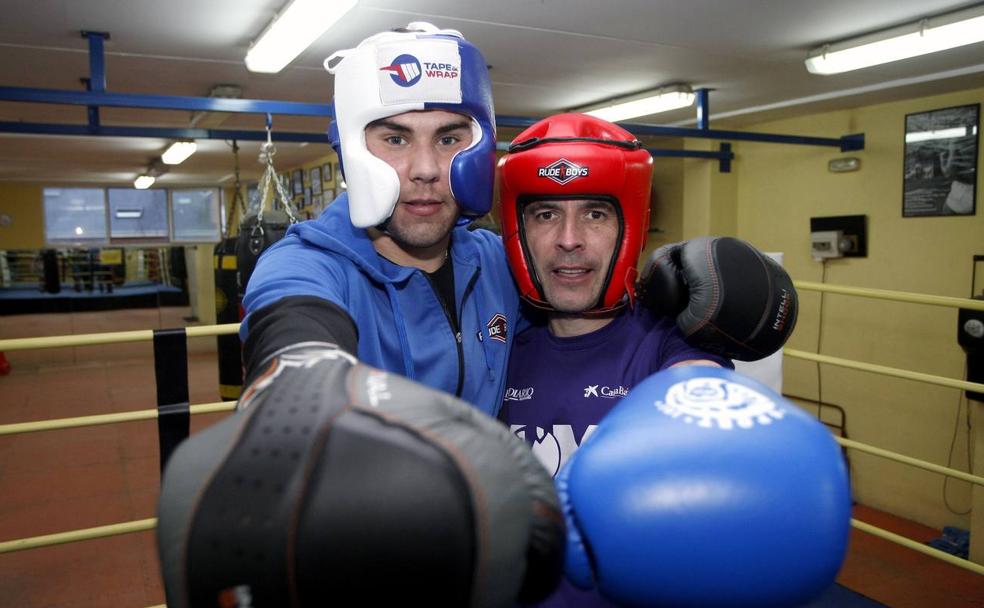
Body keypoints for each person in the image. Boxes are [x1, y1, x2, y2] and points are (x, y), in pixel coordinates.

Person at [496, 113, 817, 606]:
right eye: (545, 215)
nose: (568, 239)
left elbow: (699, 394)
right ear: (517, 230)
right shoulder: (492, 344)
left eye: (595, 214)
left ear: (633, 226)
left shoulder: (668, 342)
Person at [240, 22, 517, 416]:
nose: (425, 169)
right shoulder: (305, 266)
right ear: (349, 149)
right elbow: (293, 334)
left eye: (449, 139)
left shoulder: (496, 262)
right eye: (396, 139)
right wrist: (292, 404)